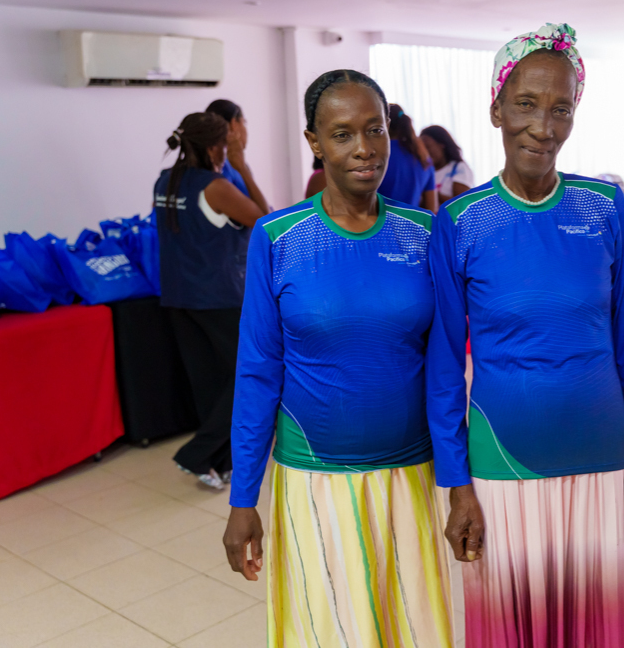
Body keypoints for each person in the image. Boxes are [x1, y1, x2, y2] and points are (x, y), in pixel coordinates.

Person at [428, 23, 624, 647]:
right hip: (503, 461)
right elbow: (445, 366)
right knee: (513, 626)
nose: (543, 126)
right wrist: (457, 487)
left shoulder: (605, 207)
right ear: (497, 107)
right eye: (526, 104)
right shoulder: (460, 221)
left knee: (593, 625)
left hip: (600, 459)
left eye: (561, 108)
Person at [223, 70, 454, 648]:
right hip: (314, 478)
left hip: (410, 475)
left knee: (412, 630)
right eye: (343, 133)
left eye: (373, 130)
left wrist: (460, 482)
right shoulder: (279, 237)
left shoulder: (425, 233)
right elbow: (257, 372)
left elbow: (447, 369)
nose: (364, 149)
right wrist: (242, 499)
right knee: (330, 633)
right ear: (314, 142)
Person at [154, 112, 269, 488]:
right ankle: (199, 454)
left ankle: (218, 463)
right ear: (215, 147)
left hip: (177, 296)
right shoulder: (215, 186)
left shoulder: (163, 182)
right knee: (250, 375)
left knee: (210, 382)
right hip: (217, 297)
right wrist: (243, 166)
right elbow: (264, 219)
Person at [205, 99, 271, 211]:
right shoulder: (227, 168)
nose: (245, 129)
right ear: (233, 124)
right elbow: (264, 217)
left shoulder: (208, 163)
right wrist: (242, 169)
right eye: (244, 122)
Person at [378, 103, 438, 212]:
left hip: (381, 226)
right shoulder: (423, 157)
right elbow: (432, 210)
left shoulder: (378, 155)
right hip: (414, 226)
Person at [421, 125, 474, 204]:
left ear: (442, 144)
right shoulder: (423, 171)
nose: (425, 153)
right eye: (421, 149)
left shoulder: (459, 168)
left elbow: (461, 204)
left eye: (428, 147)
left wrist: (430, 194)